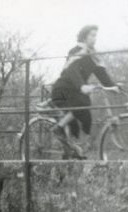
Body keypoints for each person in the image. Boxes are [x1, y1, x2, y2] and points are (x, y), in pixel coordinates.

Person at [49, 25, 121, 158]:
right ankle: (58, 128)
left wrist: (114, 87)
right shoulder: (76, 51)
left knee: (86, 115)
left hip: (75, 91)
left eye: (96, 35)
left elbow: (102, 75)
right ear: (84, 36)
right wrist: (82, 86)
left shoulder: (93, 55)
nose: (95, 38)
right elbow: (72, 70)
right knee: (81, 103)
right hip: (62, 89)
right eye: (92, 35)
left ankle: (73, 150)